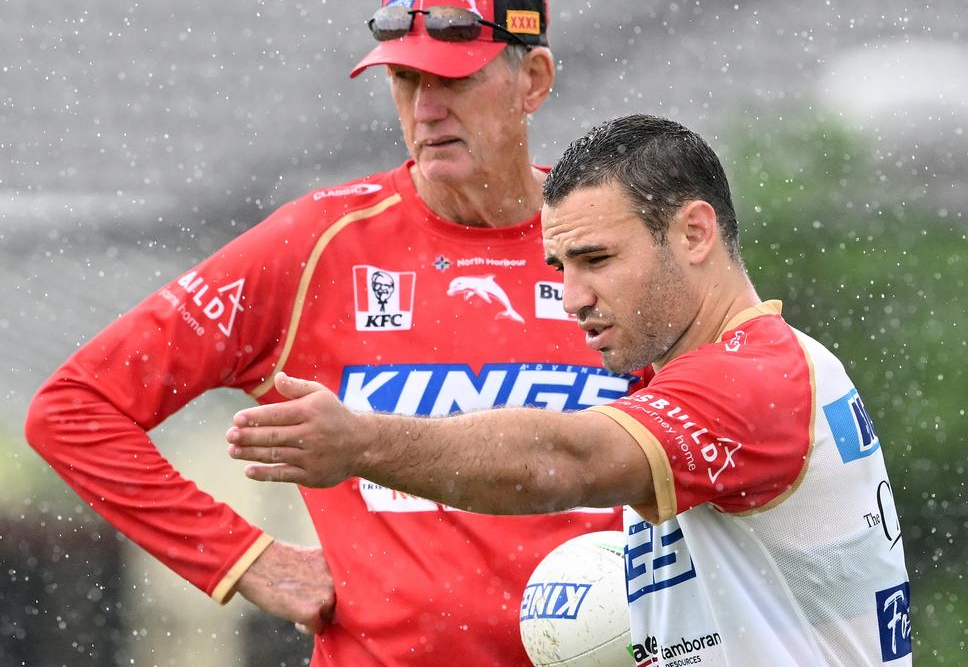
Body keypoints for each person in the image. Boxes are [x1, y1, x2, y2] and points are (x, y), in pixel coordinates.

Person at [25, 0, 641, 666]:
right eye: (406, 80)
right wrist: (246, 558)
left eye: (454, 79)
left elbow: (726, 433)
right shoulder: (318, 242)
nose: (427, 108)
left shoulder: (618, 238)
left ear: (532, 80)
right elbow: (74, 411)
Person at [226, 114, 914, 666]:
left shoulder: (753, 378)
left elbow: (565, 460)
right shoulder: (718, 376)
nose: (570, 297)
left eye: (598, 260)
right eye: (559, 265)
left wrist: (364, 442)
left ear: (695, 232)